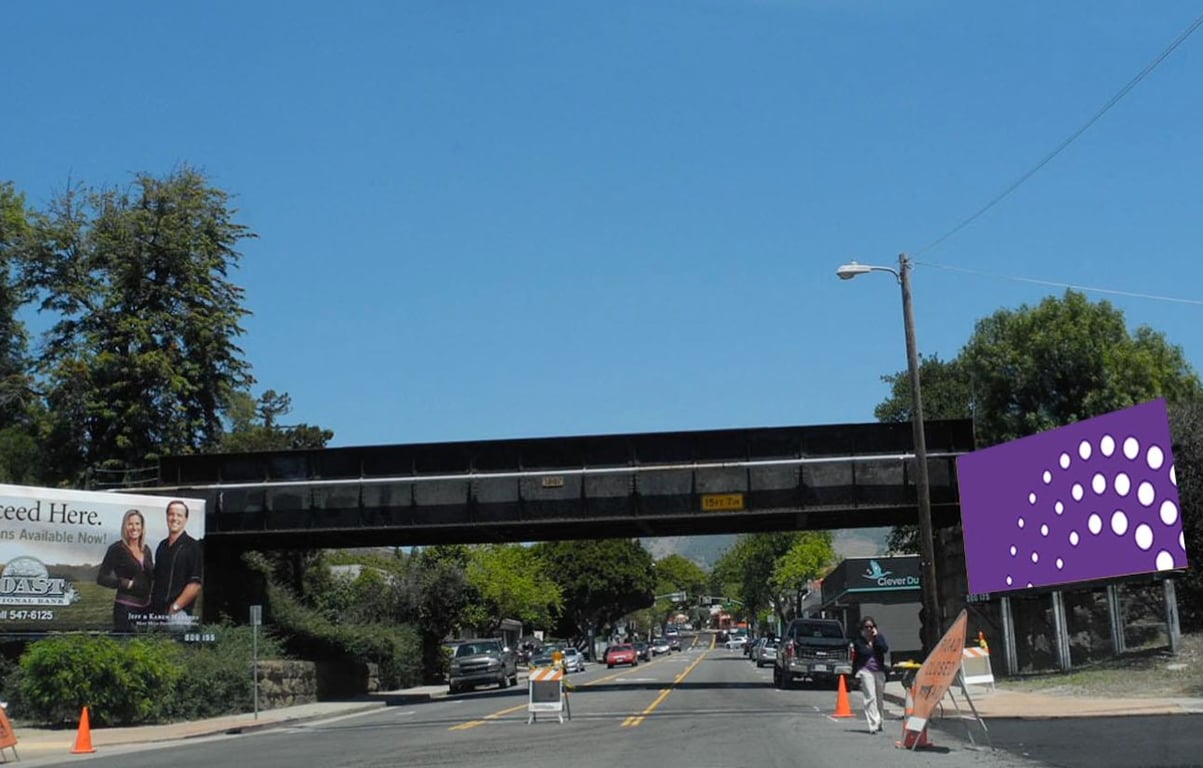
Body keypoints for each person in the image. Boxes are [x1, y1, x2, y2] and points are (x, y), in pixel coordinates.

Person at [95, 509, 154, 632]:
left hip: (146, 609)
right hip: (125, 608)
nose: (134, 528)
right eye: (130, 524)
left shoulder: (146, 550)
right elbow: (101, 578)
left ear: (142, 527)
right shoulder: (116, 548)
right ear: (125, 526)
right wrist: (124, 583)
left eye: (137, 524)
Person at [149, 499, 203, 627]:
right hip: (156, 613)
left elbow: (195, 585)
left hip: (178, 614)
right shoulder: (162, 545)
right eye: (171, 514)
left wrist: (174, 608)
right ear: (167, 517)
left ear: (185, 519)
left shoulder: (193, 546)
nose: (174, 518)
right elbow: (155, 580)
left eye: (179, 515)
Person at [852, 615, 889, 734]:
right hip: (866, 671)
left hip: (879, 671)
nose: (869, 629)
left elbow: (884, 649)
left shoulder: (879, 638)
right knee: (870, 698)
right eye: (866, 627)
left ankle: (880, 722)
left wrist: (876, 637)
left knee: (879, 698)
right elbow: (863, 652)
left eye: (871, 627)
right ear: (862, 628)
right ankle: (873, 724)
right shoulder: (859, 641)